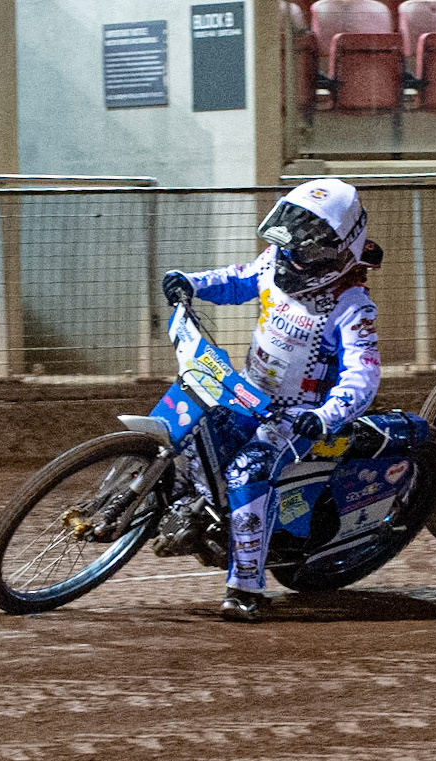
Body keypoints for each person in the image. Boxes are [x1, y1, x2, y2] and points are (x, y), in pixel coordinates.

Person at [161, 178, 382, 621]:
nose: (292, 255)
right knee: (185, 439)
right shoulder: (274, 261)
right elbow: (237, 279)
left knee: (247, 472)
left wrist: (325, 416)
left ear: (334, 252)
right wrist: (191, 283)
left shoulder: (353, 306)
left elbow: (365, 373)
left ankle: (245, 587)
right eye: (291, 241)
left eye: (305, 248)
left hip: (298, 417)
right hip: (245, 389)